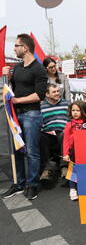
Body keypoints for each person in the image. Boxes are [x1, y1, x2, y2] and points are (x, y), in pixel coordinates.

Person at [2, 34, 48, 200]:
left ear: (25, 48)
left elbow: (40, 95)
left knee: (32, 152)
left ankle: (32, 185)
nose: (14, 49)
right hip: (16, 116)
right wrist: (5, 76)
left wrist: (18, 100)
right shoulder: (18, 68)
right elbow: (9, 90)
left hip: (31, 115)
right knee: (18, 151)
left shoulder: (39, 69)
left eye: (16, 46)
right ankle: (20, 184)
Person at [63, 101, 86, 201]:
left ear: (83, 111)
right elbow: (65, 140)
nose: (75, 112)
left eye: (78, 110)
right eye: (73, 110)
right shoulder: (69, 124)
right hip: (73, 151)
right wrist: (65, 153)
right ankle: (73, 189)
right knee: (73, 170)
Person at [40, 83, 69, 183]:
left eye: (58, 91)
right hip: (48, 132)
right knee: (41, 136)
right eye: (54, 92)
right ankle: (47, 169)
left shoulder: (67, 104)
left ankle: (64, 167)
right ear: (47, 94)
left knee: (63, 135)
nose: (57, 93)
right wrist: (45, 130)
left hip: (64, 131)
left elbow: (71, 120)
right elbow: (40, 122)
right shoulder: (41, 106)